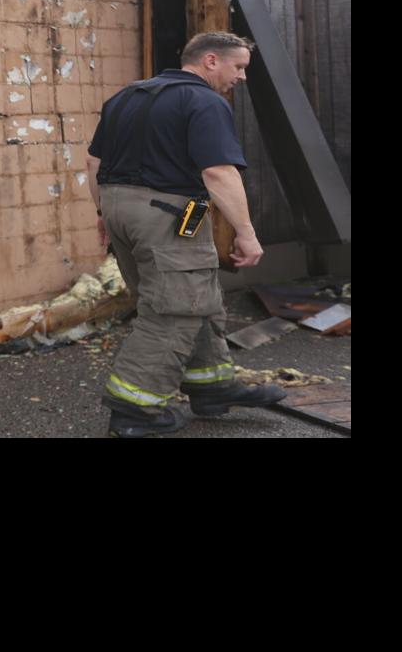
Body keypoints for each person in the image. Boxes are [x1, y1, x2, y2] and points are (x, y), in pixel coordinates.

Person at [85, 31, 287, 438]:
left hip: (119, 206)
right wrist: (246, 233)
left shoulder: (125, 97)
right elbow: (217, 172)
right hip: (166, 212)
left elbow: (93, 160)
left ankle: (211, 384)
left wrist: (103, 212)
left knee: (198, 298)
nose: (242, 77)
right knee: (174, 308)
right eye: (239, 67)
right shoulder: (204, 101)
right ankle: (134, 409)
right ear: (211, 60)